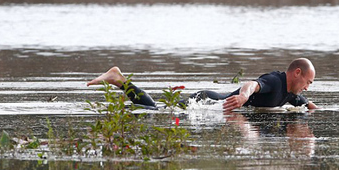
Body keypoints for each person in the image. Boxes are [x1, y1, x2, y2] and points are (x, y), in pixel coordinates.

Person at [86, 58, 318, 111]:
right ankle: (119, 79)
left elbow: (300, 100)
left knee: (159, 108)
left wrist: (310, 106)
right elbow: (252, 84)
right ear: (296, 73)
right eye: (307, 82)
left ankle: (120, 81)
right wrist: (244, 96)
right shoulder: (276, 82)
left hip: (213, 105)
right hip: (207, 101)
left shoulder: (290, 92)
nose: (307, 87)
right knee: (156, 110)